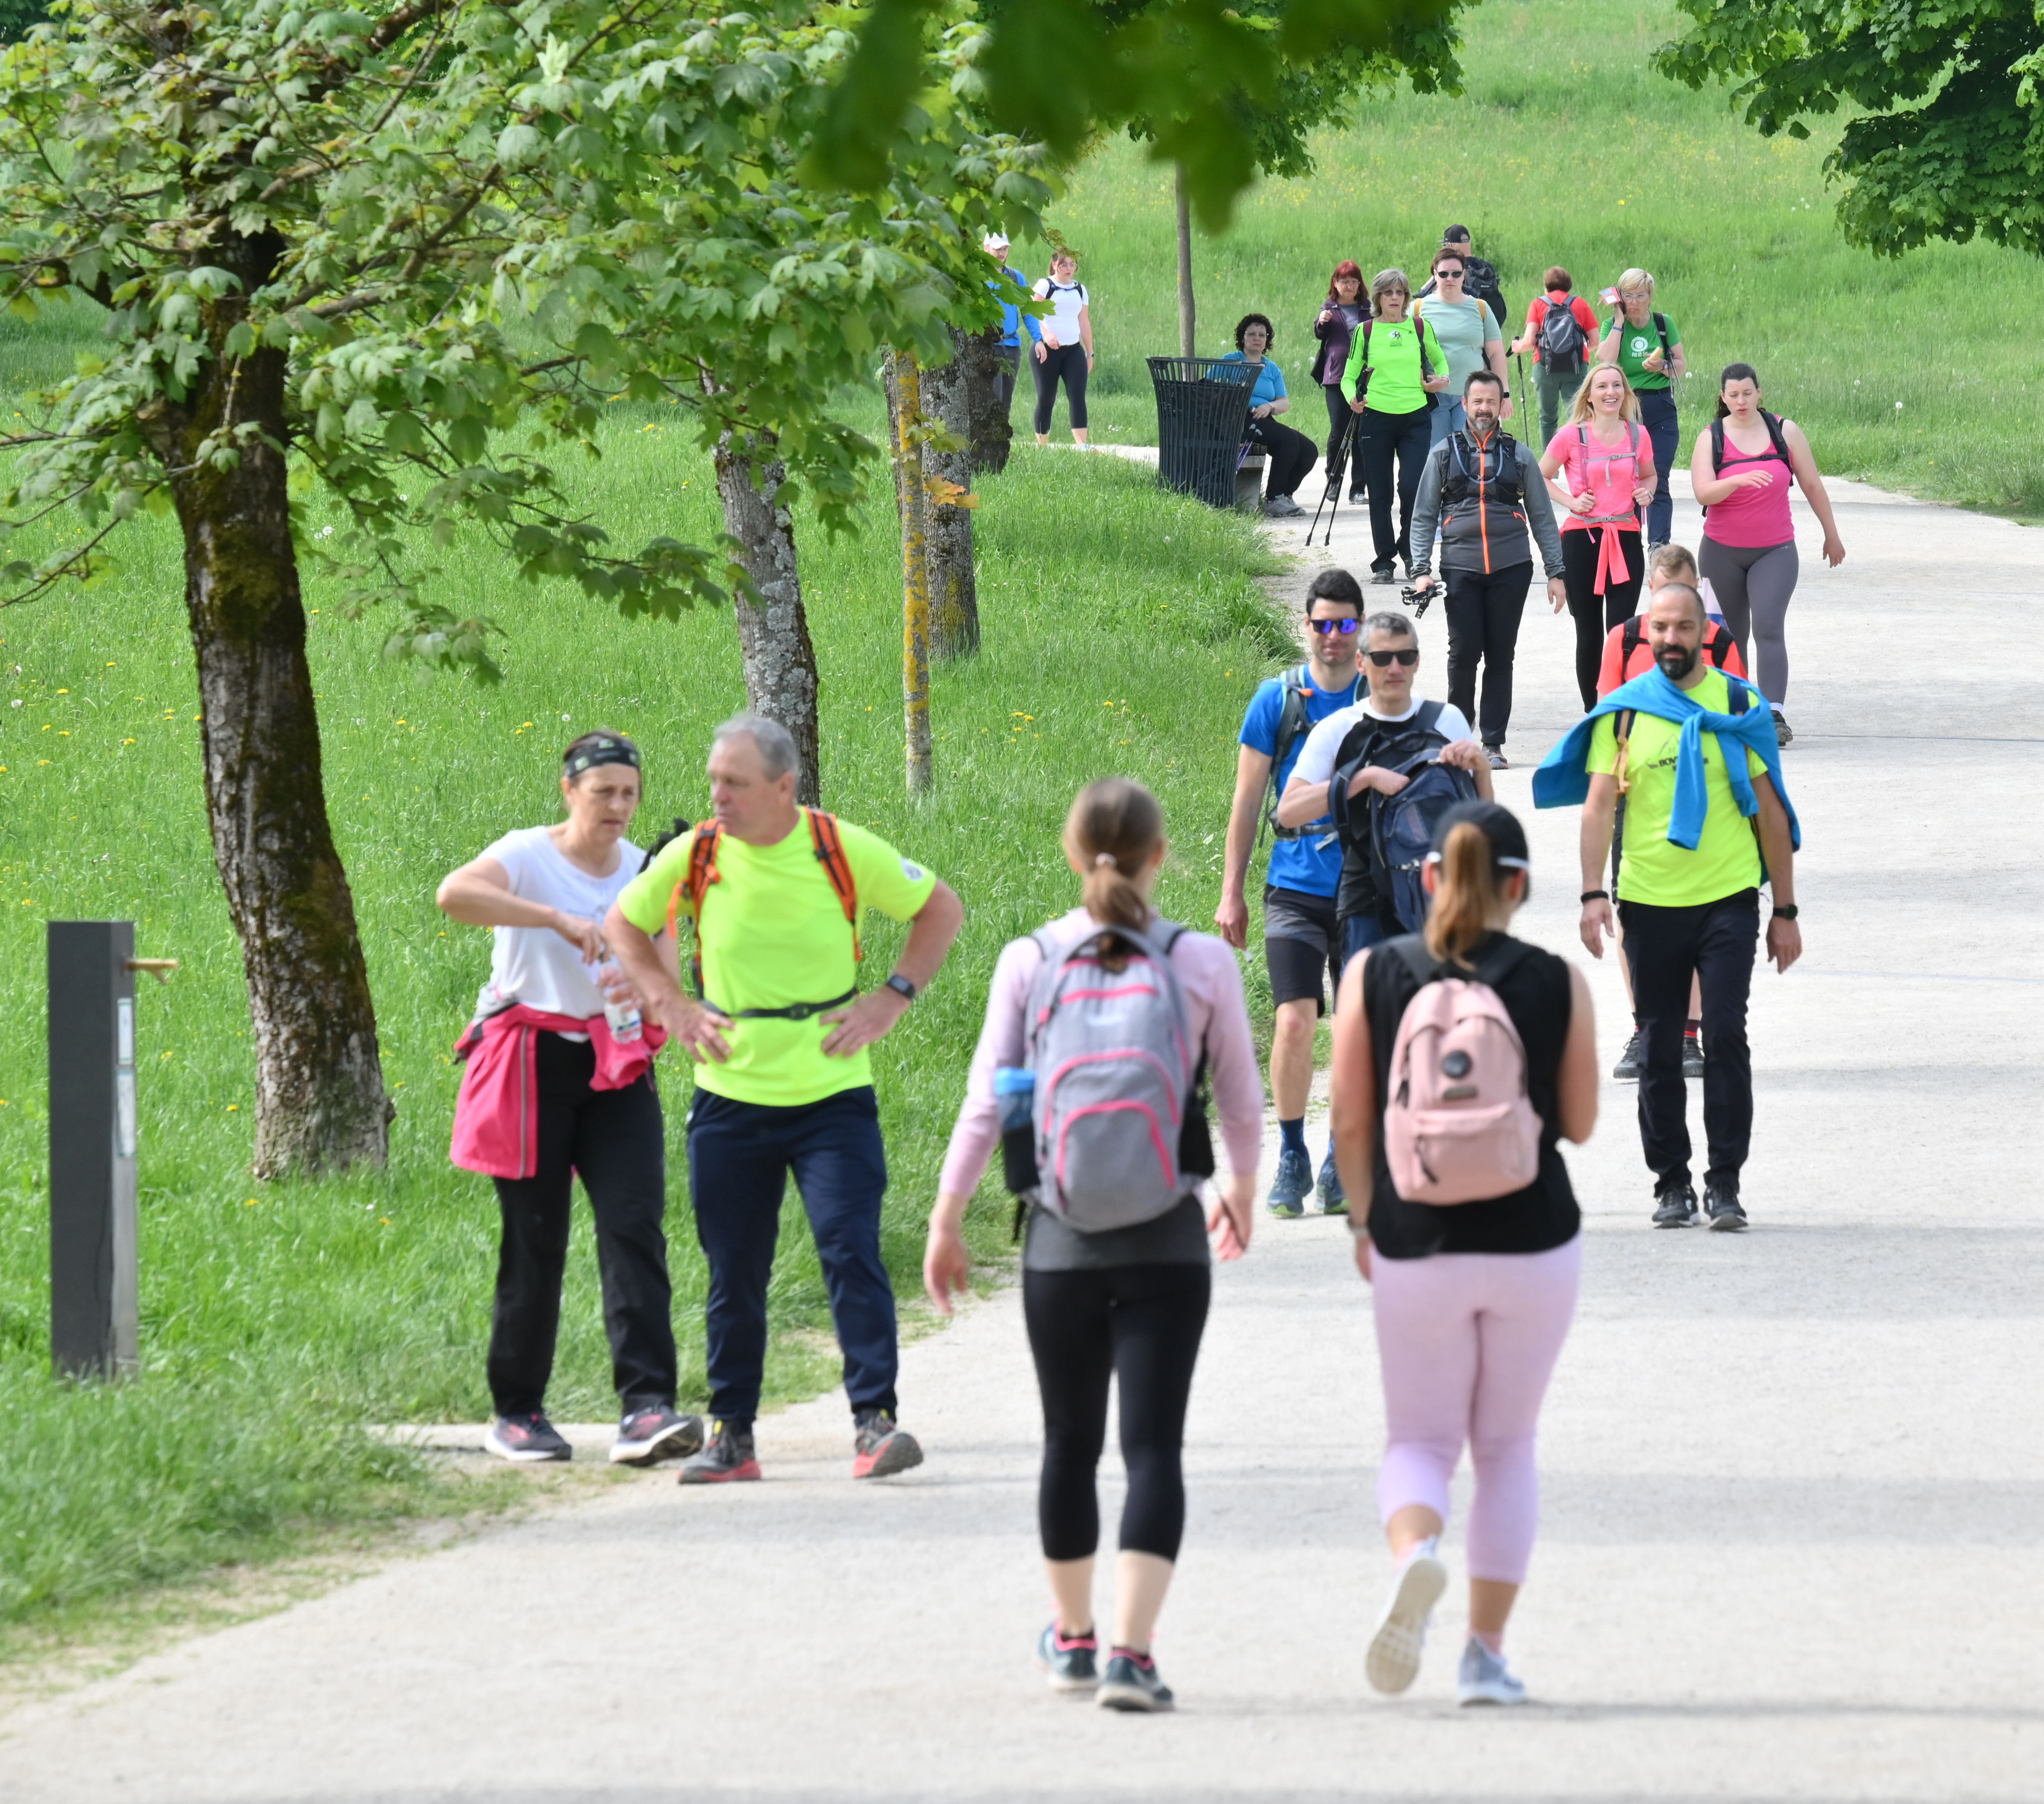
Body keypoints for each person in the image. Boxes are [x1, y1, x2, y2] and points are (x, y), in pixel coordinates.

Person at [926, 778, 1263, 1714]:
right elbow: (1241, 1099)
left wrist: (947, 1217)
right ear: (1161, 856)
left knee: (1068, 1443)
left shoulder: (1030, 959)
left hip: (1060, 1239)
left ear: (1073, 855)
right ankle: (1133, 1655)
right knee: (1152, 1448)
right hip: (1166, 1236)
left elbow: (988, 1100)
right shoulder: (1200, 959)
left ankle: (1072, 1638)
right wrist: (1239, 1188)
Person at [603, 712, 968, 1486]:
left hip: (833, 1096)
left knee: (850, 1251)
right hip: (730, 1100)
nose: (718, 795)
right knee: (734, 1270)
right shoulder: (696, 853)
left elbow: (941, 907)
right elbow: (624, 923)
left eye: (734, 783)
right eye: (714, 780)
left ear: (783, 786)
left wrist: (892, 997)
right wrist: (671, 1005)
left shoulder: (838, 847)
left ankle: (875, 1422)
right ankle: (732, 1436)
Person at [1326, 800, 1598, 1708]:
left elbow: (1352, 1118)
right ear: (1519, 886)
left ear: (1431, 877)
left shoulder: (1374, 973)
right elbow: (1580, 1122)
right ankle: (1484, 1655)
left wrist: (1365, 1222)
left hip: (1416, 1242)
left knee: (1418, 1440)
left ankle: (1417, 1551)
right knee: (1507, 1446)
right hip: (1534, 1241)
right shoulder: (1556, 980)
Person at [436, 732, 700, 1468]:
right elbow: (454, 894)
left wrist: (643, 989)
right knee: (537, 1237)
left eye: (630, 794)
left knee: (634, 1227)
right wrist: (553, 919)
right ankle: (517, 1412)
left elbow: (666, 980)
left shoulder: (645, 871)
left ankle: (647, 1408)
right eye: (603, 792)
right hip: (531, 1063)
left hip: (616, 1067)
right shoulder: (527, 855)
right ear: (569, 790)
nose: (618, 806)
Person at [1537, 579, 1804, 1230]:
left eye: (1684, 627)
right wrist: (1593, 893)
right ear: (1648, 632)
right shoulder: (1626, 713)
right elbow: (1598, 807)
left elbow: (1771, 813)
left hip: (1729, 898)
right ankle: (1672, 1183)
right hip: (1649, 902)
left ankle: (1726, 1181)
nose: (1671, 639)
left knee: (1725, 1035)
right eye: (1660, 628)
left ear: (1704, 634)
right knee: (1658, 1046)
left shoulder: (1738, 705)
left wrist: (1786, 910)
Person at [1215, 568, 1370, 1220]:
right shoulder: (1276, 701)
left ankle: (1339, 1156)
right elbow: (1247, 801)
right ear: (1305, 626)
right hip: (1294, 887)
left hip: (1366, 891)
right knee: (1294, 1021)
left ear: (1361, 626)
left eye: (1346, 623)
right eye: (1323, 624)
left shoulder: (1381, 695)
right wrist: (1232, 892)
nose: (1334, 636)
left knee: (1356, 1031)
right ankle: (1292, 1151)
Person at [1590, 544, 1745, 1080]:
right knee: (1634, 914)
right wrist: (1613, 772)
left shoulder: (1721, 644)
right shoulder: (1623, 639)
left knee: (1700, 912)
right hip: (1637, 799)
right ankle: (1646, 1029)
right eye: (1663, 597)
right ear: (1650, 594)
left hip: (1706, 800)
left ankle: (1688, 1036)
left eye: (1684, 598)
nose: (1673, 624)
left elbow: (1738, 716)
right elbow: (1606, 714)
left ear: (1699, 595)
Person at [1275, 610, 1496, 979]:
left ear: (1418, 662)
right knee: (1365, 1013)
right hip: (1366, 902)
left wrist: (1482, 770)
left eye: (1405, 657)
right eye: (1382, 658)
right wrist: (1361, 778)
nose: (1395, 668)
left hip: (1442, 901)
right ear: (1361, 663)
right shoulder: (1338, 730)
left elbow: (1485, 826)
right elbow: (1289, 811)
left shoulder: (1447, 720)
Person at [1408, 371, 1567, 766]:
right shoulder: (1443, 453)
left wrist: (1556, 572)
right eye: (1477, 401)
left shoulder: (1520, 455)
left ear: (1501, 407)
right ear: (1464, 404)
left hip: (1511, 567)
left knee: (1500, 655)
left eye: (1491, 402)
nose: (1484, 409)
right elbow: (1423, 515)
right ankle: (1459, 738)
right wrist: (1421, 570)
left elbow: (1543, 517)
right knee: (1463, 654)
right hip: (1459, 567)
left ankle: (1493, 744)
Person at [1685, 363, 1848, 745]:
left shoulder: (1784, 432)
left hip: (1775, 550)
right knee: (1730, 635)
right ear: (1723, 397)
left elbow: (1812, 484)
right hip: (1721, 552)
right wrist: (1737, 479)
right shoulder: (1711, 438)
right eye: (1733, 395)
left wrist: (1832, 534)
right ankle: (1738, 712)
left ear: (1759, 392)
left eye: (1747, 393)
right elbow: (1703, 492)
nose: (1741, 401)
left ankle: (1773, 714)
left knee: (1769, 628)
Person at [1542, 362, 1650, 708]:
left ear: (1626, 393)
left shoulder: (1638, 435)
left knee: (1621, 634)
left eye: (1617, 386)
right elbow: (1540, 478)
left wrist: (1646, 492)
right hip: (1581, 542)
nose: (1611, 392)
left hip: (1626, 538)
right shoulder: (1571, 436)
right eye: (1602, 386)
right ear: (1589, 396)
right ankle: (1594, 713)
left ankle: (1618, 708)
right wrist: (1572, 502)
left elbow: (1650, 476)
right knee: (1588, 635)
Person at [1342, 271, 1449, 578]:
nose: (1394, 298)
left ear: (1406, 297)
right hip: (1375, 417)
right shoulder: (1365, 331)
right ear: (1378, 296)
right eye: (1388, 292)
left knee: (1413, 488)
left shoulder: (1420, 327)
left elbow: (1440, 361)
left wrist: (1441, 380)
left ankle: (1411, 553)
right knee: (1380, 493)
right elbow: (1348, 377)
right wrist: (1353, 398)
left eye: (1400, 292)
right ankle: (1384, 562)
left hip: (1415, 418)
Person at [1595, 542, 1747, 696]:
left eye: (1682, 590)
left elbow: (1743, 707)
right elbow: (1605, 708)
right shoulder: (1623, 640)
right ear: (1651, 587)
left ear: (1696, 586)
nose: (1673, 601)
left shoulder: (1720, 642)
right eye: (1666, 591)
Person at [1597, 270, 1683, 545]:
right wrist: (1619, 323)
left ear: (1650, 297)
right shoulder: (1611, 325)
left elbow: (1680, 364)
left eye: (1640, 296)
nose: (1634, 302)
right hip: (1627, 408)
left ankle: (1659, 544)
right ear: (1620, 298)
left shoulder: (1663, 323)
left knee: (1658, 477)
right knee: (1629, 479)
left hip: (1660, 406)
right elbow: (1605, 361)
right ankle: (1630, 540)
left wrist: (1663, 366)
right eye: (1628, 296)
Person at [1412, 252, 1510, 459]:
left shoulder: (1480, 308)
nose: (1450, 279)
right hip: (1432, 398)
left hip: (1472, 396)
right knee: (1437, 458)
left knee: (1471, 456)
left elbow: (1496, 354)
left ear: (1464, 275)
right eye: (1444, 274)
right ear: (1435, 274)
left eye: (1456, 274)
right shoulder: (1418, 308)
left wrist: (1505, 394)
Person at [1223, 312, 1319, 513]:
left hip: (1264, 418)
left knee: (1309, 450)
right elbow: (1208, 387)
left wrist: (1269, 407)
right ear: (1242, 337)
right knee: (1288, 439)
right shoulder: (1230, 361)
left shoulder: (1272, 369)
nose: (1257, 338)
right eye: (1252, 334)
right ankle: (1273, 499)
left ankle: (1285, 495)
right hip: (1237, 418)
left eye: (1262, 335)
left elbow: (1284, 403)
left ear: (1267, 340)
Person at [1514, 267, 1601, 445]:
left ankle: (1550, 461)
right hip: (1576, 367)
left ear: (1546, 286)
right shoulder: (1580, 303)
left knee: (1547, 418)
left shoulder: (1538, 304)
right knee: (1578, 415)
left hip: (1545, 367)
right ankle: (1581, 456)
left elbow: (1530, 341)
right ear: (1569, 286)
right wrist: (1579, 351)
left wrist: (1517, 347)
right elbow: (1595, 340)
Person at [1311, 261, 1375, 499]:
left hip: (1366, 377)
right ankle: (1333, 481)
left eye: (1353, 281)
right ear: (1335, 284)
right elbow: (1320, 333)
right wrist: (1322, 321)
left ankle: (1358, 488)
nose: (1349, 286)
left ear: (1360, 285)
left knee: (1362, 433)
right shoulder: (1329, 309)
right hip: (1336, 376)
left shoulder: (1370, 310)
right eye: (1344, 281)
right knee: (1339, 431)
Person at [968, 232, 1030, 472]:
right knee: (990, 399)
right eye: (997, 249)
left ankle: (998, 456)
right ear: (986, 249)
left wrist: (1040, 340)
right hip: (986, 345)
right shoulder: (978, 276)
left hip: (1011, 346)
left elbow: (1028, 310)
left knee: (1005, 403)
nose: (1002, 254)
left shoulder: (1015, 277)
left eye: (1005, 249)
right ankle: (980, 455)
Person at [1029, 245, 1096, 448]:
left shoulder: (1080, 290)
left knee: (1077, 395)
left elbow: (1084, 322)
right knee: (1046, 396)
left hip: (1073, 350)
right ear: (1054, 265)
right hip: (1047, 350)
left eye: (1072, 265)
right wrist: (1046, 335)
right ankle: (1042, 445)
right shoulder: (1045, 286)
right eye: (1064, 265)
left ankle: (1082, 445)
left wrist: (1090, 353)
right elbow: (1032, 313)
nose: (1068, 269)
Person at [1439, 222, 1511, 330]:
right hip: (1492, 323)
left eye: (1445, 245)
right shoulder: (1486, 266)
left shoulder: (1452, 270)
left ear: (1450, 246)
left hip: (1466, 326)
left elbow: (1424, 294)